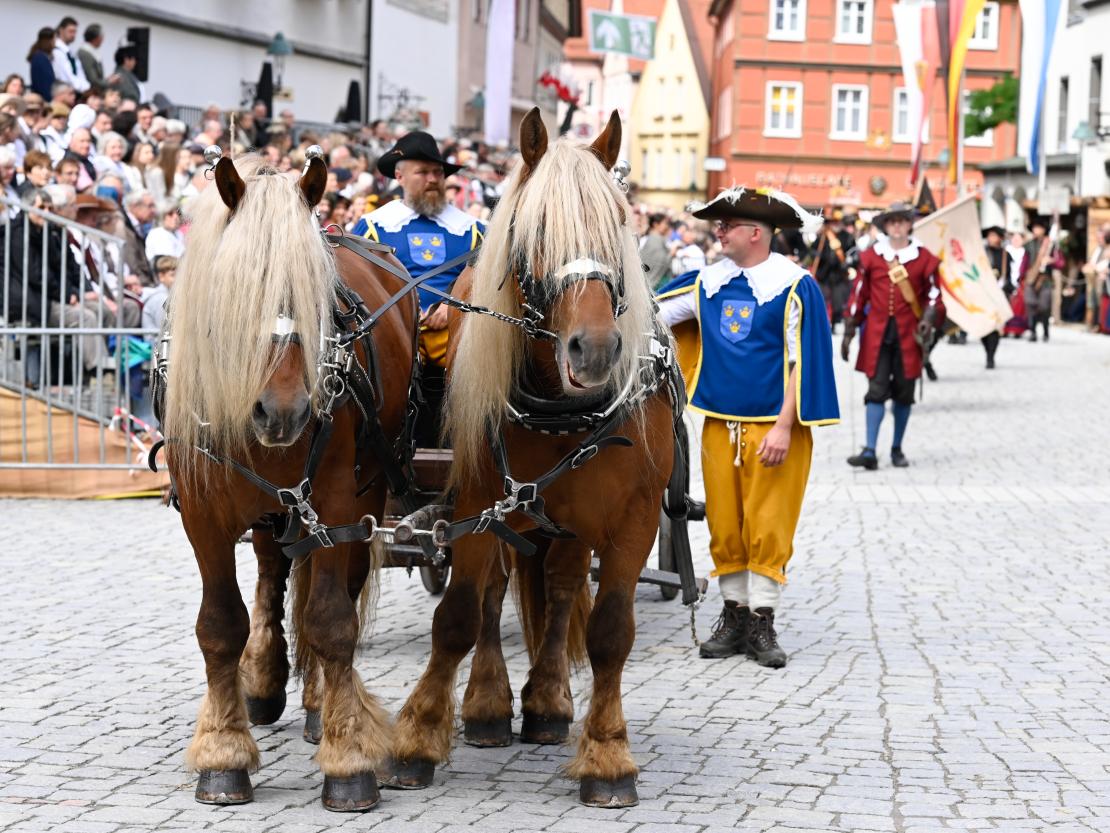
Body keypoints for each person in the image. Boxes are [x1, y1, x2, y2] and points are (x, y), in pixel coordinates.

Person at [655, 187, 839, 667]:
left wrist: (783, 427)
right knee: (725, 524)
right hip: (719, 422)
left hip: (774, 429)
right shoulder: (706, 282)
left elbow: (802, 361)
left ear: (755, 234)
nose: (719, 231)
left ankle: (762, 622)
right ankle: (734, 617)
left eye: (728, 225)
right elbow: (656, 314)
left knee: (769, 524)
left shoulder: (794, 285)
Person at [351, 130, 485, 444]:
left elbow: (493, 284)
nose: (433, 179)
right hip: (391, 338)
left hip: (460, 341)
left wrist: (455, 306)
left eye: (437, 172)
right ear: (399, 176)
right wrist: (407, 313)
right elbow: (356, 286)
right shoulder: (374, 226)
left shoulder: (474, 229)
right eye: (422, 172)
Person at [841, 201, 944, 469]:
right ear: (885, 226)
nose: (897, 226)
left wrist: (929, 319)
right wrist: (849, 331)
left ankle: (897, 449)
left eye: (902, 220)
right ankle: (870, 450)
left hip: (909, 336)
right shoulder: (872, 257)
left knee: (903, 392)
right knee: (875, 391)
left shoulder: (924, 258)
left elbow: (935, 296)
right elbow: (859, 294)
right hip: (876, 335)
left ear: (910, 224)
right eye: (892, 221)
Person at [809, 212, 856, 332]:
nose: (835, 224)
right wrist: (815, 254)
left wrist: (849, 261)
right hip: (824, 274)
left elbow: (853, 252)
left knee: (838, 303)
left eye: (837, 222)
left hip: (840, 275)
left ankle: (835, 323)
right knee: (821, 300)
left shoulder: (847, 237)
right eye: (833, 222)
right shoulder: (822, 237)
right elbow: (812, 252)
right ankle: (822, 324)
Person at [1023, 218, 1061, 341]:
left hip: (1045, 280)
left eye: (1038, 228)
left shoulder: (1051, 244)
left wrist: (1051, 261)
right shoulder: (1028, 245)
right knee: (1030, 304)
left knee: (1044, 306)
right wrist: (1021, 276)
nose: (1036, 230)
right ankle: (1033, 332)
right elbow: (1024, 262)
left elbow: (1061, 262)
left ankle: (1045, 332)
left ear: (1044, 230)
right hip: (1031, 278)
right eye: (1034, 227)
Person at [980, 226, 1007, 369]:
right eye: (990, 236)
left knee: (995, 328)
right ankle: (987, 351)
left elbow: (1009, 275)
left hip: (999, 294)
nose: (992, 238)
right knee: (984, 327)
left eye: (994, 236)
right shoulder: (981, 253)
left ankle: (991, 356)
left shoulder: (1004, 255)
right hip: (984, 293)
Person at [52, 17, 90, 94]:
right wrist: (84, 89)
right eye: (70, 31)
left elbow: (80, 73)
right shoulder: (56, 51)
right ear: (61, 30)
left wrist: (87, 88)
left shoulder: (70, 52)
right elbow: (66, 76)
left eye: (75, 32)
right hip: (65, 92)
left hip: (77, 91)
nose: (73, 35)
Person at [640, 212, 673, 289]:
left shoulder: (660, 239)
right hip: (652, 283)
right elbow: (657, 262)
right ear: (656, 224)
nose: (667, 226)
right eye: (665, 223)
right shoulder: (652, 239)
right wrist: (671, 254)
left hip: (660, 282)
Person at [77, 24, 113, 91]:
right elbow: (92, 80)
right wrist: (108, 82)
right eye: (102, 36)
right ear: (97, 38)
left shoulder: (92, 52)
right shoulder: (85, 53)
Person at [27, 28, 58, 100]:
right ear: (49, 41)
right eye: (54, 39)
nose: (55, 42)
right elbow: (44, 83)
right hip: (44, 99)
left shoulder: (41, 57)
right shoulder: (40, 59)